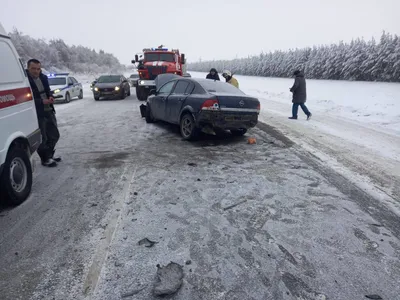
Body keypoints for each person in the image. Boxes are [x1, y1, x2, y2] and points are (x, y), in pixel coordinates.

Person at [26, 59, 61, 167]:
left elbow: (48, 90)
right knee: (42, 138)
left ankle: (49, 155)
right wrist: (41, 101)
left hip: (48, 110)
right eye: (33, 69)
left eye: (38, 69)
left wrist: (50, 96)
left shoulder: (43, 77)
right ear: (28, 68)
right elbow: (25, 100)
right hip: (37, 113)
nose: (36, 71)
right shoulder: (25, 80)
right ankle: (45, 159)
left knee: (55, 135)